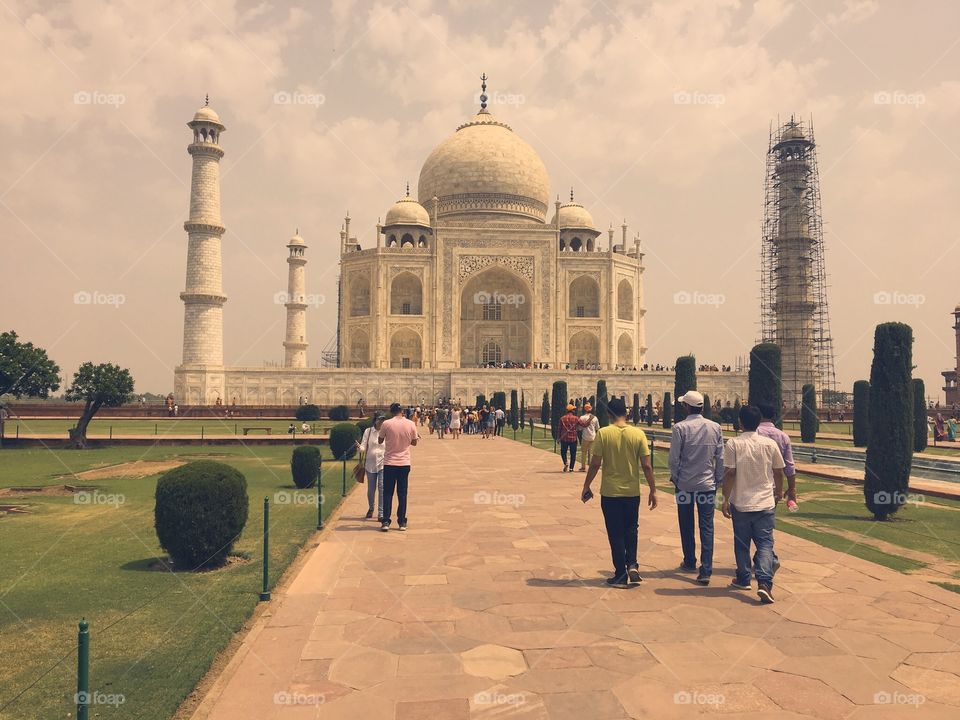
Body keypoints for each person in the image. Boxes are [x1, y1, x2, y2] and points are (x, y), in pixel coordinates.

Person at [581, 397, 658, 587]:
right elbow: (647, 466)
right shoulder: (638, 434)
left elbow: (595, 464)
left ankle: (620, 575)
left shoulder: (604, 433)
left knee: (615, 533)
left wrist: (586, 485)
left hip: (611, 492)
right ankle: (632, 564)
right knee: (631, 529)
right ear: (627, 413)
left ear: (609, 415)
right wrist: (653, 490)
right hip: (632, 492)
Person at [721, 404, 785, 604]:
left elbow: (730, 473)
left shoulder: (733, 443)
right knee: (765, 543)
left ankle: (743, 578)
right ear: (759, 422)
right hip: (765, 502)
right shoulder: (769, 444)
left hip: (741, 502)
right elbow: (779, 471)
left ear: (740, 422)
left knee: (742, 543)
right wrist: (779, 491)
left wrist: (725, 498)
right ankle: (764, 583)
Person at [669, 390, 724, 585]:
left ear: (686, 407)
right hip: (707, 486)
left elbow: (674, 459)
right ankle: (706, 570)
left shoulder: (680, 428)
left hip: (685, 485)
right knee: (707, 526)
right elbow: (720, 458)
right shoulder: (715, 427)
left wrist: (677, 479)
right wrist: (717, 481)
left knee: (686, 524)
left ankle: (690, 561)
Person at [378, 402, 419, 531]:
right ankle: (401, 522)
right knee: (402, 493)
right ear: (403, 411)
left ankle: (385, 521)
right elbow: (414, 442)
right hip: (404, 463)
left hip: (389, 463)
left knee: (387, 493)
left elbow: (380, 440)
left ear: (391, 412)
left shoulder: (386, 423)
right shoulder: (410, 424)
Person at [756, 404, 798, 514]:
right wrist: (792, 489)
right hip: (773, 488)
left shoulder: (754, 433)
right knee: (767, 519)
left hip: (753, 486)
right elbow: (789, 466)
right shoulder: (783, 436)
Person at [357, 414, 385, 520]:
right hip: (370, 464)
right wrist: (360, 448)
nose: (381, 422)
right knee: (371, 489)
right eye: (379, 420)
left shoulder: (386, 431)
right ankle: (371, 508)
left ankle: (381, 513)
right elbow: (364, 446)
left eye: (383, 420)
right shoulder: (368, 431)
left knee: (382, 487)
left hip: (383, 463)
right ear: (375, 420)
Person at [577, 403, 600, 472]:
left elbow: (580, 428)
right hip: (593, 437)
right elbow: (597, 428)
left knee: (584, 452)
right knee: (591, 452)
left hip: (585, 437)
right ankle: (591, 467)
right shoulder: (595, 418)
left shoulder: (582, 417)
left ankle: (583, 467)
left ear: (585, 409)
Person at [558, 404, 580, 472]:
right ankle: (571, 468)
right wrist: (590, 419)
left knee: (563, 452)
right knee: (573, 453)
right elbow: (583, 424)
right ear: (572, 411)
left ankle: (565, 462)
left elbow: (559, 429)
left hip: (564, 438)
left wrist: (558, 438)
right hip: (573, 438)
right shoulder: (576, 418)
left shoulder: (562, 418)